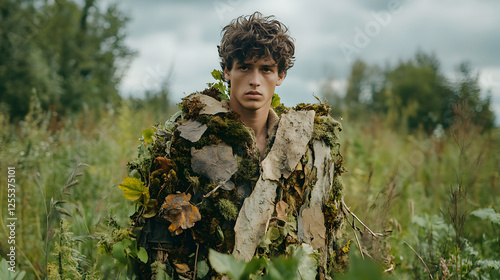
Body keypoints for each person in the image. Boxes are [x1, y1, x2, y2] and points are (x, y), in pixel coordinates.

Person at [118, 11, 348, 280]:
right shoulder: (188, 138)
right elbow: (159, 241)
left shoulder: (305, 146)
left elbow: (321, 234)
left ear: (281, 76)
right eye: (244, 68)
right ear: (227, 71)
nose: (254, 80)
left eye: (266, 69)